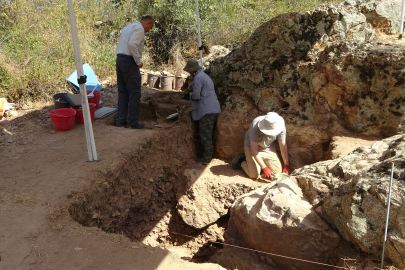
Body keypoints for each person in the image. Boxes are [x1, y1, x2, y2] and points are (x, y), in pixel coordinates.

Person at [115, 16, 154, 129]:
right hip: (129, 61)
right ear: (148, 22)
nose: (148, 31)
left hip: (120, 60)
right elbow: (132, 44)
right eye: (149, 28)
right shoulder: (139, 28)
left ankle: (120, 120)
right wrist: (138, 61)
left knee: (123, 92)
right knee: (134, 93)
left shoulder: (128, 27)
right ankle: (132, 122)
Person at [183, 59, 221, 165]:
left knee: (205, 135)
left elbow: (196, 96)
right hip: (213, 108)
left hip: (207, 110)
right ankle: (207, 155)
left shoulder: (198, 78)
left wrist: (189, 95)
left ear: (192, 70)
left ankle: (206, 158)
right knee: (208, 134)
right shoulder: (204, 76)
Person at [232, 112, 290, 179]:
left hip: (268, 148)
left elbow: (282, 146)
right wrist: (264, 168)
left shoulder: (280, 126)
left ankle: (258, 165)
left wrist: (286, 165)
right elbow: (254, 150)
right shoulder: (255, 125)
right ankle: (241, 159)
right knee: (254, 175)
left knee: (277, 174)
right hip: (252, 147)